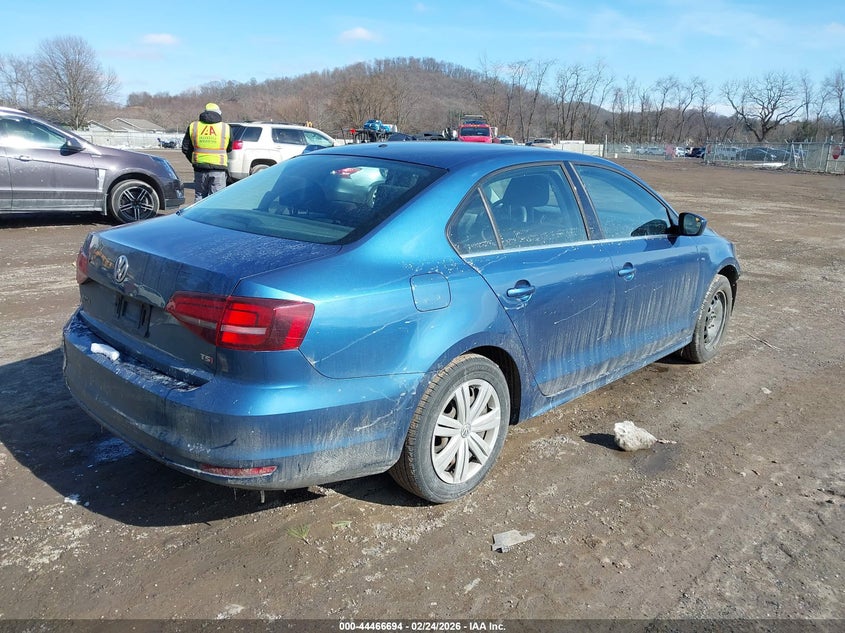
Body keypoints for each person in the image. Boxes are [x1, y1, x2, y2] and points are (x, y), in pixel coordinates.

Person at [181, 103, 232, 201]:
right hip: (218, 168)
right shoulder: (225, 127)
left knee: (199, 197)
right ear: (219, 113)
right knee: (217, 200)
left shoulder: (193, 126)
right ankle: (213, 217)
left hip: (200, 168)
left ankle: (198, 216)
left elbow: (185, 148)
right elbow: (229, 148)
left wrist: (194, 160)